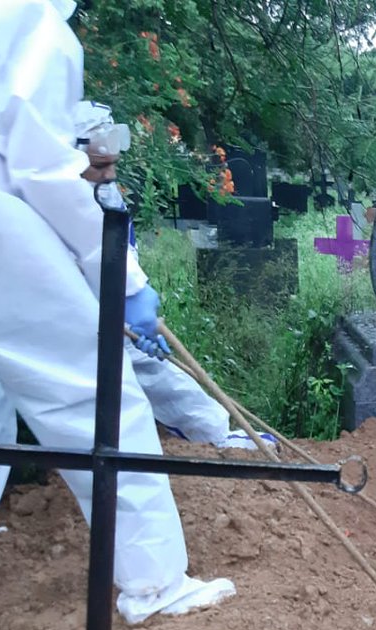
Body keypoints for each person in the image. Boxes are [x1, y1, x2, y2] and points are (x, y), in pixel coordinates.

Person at [0, 0, 234, 622]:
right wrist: (123, 279)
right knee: (94, 396)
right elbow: (44, 170)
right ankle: (154, 581)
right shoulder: (31, 23)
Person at [72, 101, 270, 450]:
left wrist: (133, 309)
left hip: (106, 320)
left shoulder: (105, 193)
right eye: (100, 166)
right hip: (67, 330)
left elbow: (119, 256)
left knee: (152, 368)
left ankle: (216, 436)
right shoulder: (58, 200)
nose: (109, 175)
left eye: (113, 165)